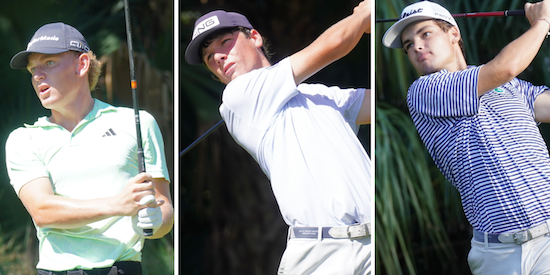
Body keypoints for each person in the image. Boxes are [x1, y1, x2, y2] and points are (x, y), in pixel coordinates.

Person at [185, 1, 372, 274]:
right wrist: (364, 14)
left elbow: (375, 104)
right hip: (325, 256)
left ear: (255, 37)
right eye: (209, 57)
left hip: (370, 244)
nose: (218, 57)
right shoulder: (239, 97)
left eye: (225, 42)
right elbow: (336, 43)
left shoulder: (317, 94)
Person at [383, 1, 550, 274]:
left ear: (454, 34)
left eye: (425, 34)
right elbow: (504, 67)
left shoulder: (510, 86)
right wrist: (543, 22)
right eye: (408, 45)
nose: (417, 47)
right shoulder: (424, 92)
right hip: (499, 255)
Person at [5, 22, 174, 275]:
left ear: (82, 64)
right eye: (32, 69)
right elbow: (43, 211)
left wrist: (156, 221)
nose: (38, 75)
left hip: (122, 269)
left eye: (48, 63)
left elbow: (164, 206)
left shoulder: (137, 123)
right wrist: (118, 204)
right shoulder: (24, 139)